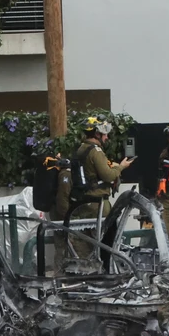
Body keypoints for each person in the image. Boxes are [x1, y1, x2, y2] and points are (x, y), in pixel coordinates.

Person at [50, 117, 134, 273]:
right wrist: (121, 167)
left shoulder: (81, 149)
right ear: (96, 134)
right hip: (98, 206)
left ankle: (90, 276)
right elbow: (108, 175)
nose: (106, 137)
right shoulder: (96, 152)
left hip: (84, 205)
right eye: (104, 134)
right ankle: (106, 276)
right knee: (106, 245)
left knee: (87, 248)